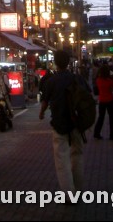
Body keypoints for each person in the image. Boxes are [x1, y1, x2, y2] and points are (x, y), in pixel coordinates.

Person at [39, 50, 88, 196]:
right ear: (68, 62)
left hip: (59, 123)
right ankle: (78, 189)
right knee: (77, 155)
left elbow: (45, 101)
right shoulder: (77, 78)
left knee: (62, 159)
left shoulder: (51, 81)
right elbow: (88, 96)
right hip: (77, 123)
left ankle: (68, 193)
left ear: (55, 62)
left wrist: (41, 113)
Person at [93, 64, 113, 140]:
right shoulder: (110, 81)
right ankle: (112, 135)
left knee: (101, 118)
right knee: (112, 118)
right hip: (110, 100)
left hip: (101, 100)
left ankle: (96, 133)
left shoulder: (98, 80)